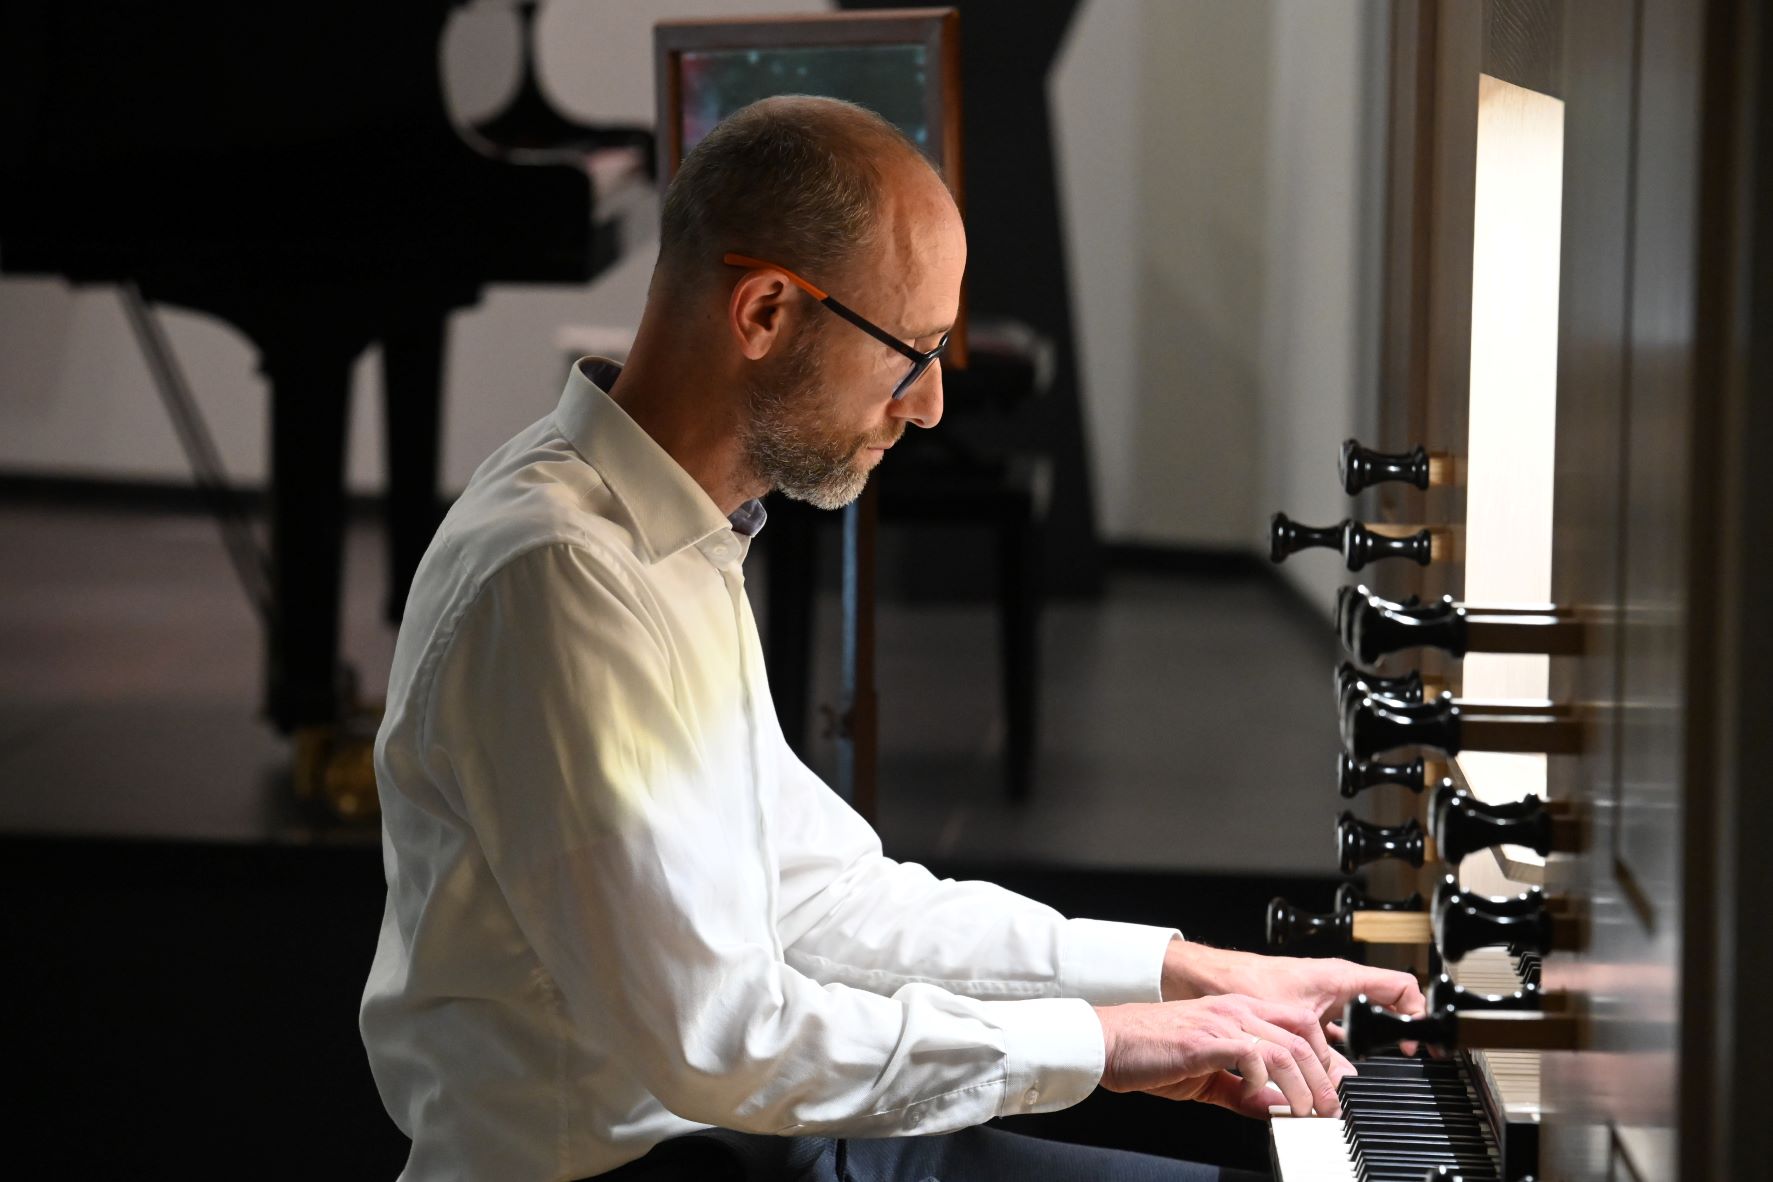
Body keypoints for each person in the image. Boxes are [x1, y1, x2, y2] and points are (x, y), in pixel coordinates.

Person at [360, 95, 1424, 1182]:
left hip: (747, 1142)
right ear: (765, 312)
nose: (928, 407)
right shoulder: (561, 572)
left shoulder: (669, 531)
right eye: (911, 350)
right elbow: (722, 1039)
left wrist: (1181, 975)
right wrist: (1103, 1045)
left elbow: (822, 898)